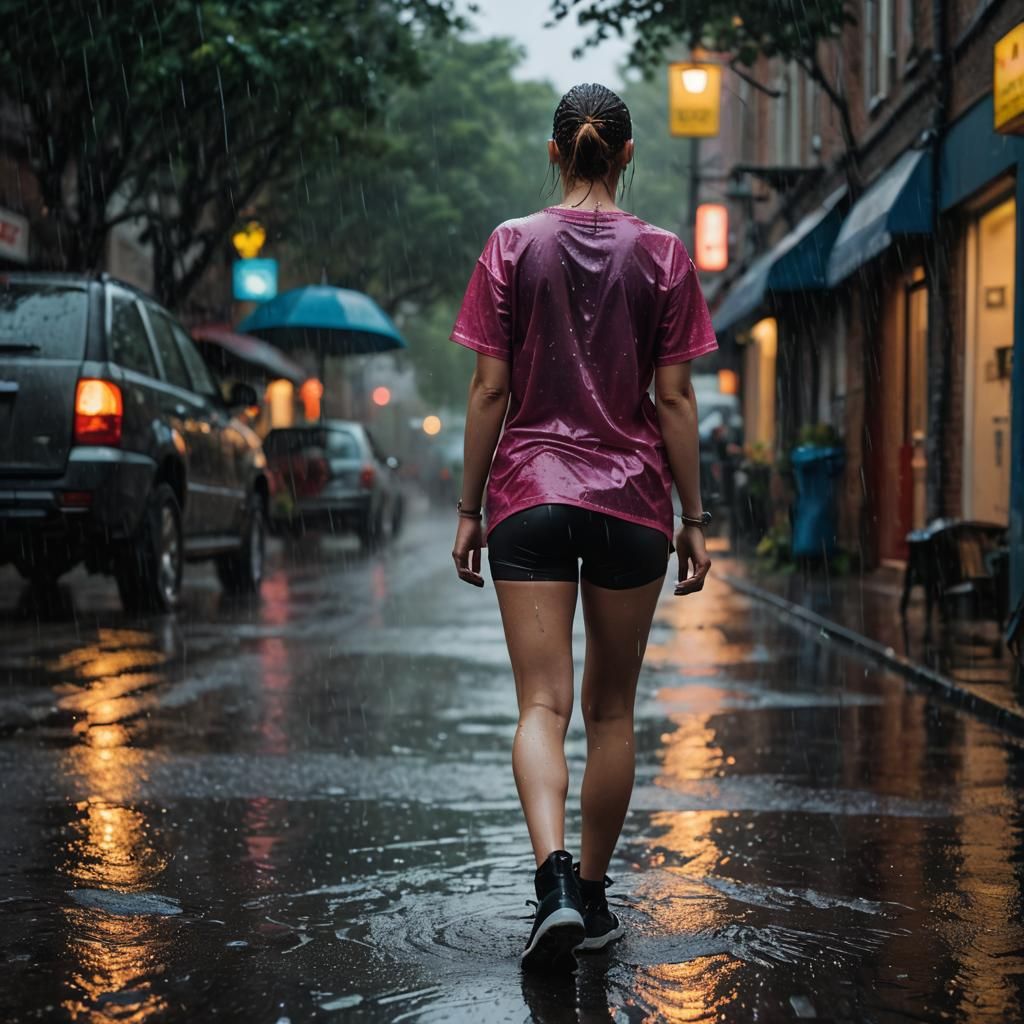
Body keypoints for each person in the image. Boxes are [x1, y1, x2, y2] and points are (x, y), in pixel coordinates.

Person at [449, 82, 717, 973]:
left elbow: (490, 390)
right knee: (611, 712)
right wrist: (694, 517)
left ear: (555, 151)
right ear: (627, 153)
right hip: (632, 503)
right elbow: (675, 400)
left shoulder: (510, 245)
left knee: (541, 705)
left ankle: (553, 882)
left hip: (529, 494)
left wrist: (468, 507)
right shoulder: (666, 254)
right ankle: (593, 896)